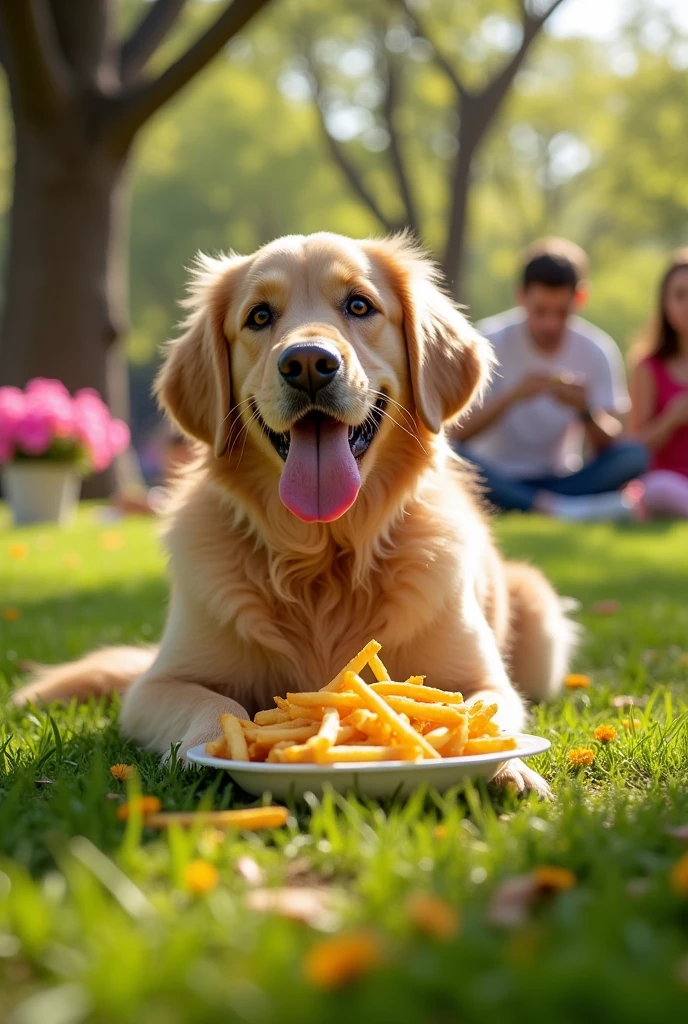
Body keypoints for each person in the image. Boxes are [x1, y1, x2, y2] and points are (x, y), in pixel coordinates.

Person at [452, 238, 647, 518]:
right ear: (521, 296)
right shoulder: (487, 342)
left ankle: (540, 505)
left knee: (633, 456)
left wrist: (585, 411)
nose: (550, 324)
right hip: (496, 476)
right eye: (540, 311)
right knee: (448, 454)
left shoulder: (597, 349)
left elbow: (614, 445)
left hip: (561, 479)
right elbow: (454, 433)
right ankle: (558, 509)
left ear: (580, 298)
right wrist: (512, 397)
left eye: (562, 312)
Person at [629, 250, 688, 518]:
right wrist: (671, 419)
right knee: (659, 489)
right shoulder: (648, 367)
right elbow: (632, 451)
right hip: (666, 481)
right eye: (680, 296)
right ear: (664, 304)